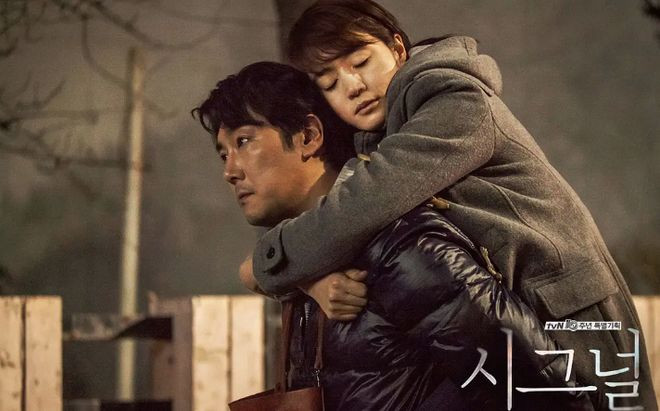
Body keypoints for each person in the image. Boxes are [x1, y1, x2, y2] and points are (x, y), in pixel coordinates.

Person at [241, 1, 657, 410]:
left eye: (361, 62)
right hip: (513, 327)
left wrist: (266, 262)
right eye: (330, 83)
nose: (352, 86)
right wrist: (305, 280)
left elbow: (360, 208)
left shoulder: (456, 104)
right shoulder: (383, 139)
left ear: (398, 49)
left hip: (568, 322)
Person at [192, 61, 593, 410]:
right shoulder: (303, 266)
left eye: (244, 142)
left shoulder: (399, 248)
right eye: (223, 153)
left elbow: (542, 386)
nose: (230, 171)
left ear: (309, 136)